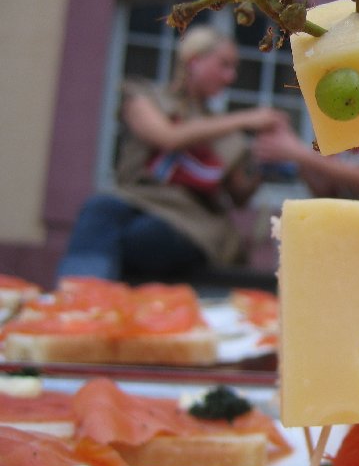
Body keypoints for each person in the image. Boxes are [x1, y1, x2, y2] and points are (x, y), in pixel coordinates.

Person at [56, 25, 287, 282]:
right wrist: (245, 119)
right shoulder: (145, 98)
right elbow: (168, 138)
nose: (230, 77)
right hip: (136, 199)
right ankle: (77, 296)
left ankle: (88, 294)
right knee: (98, 208)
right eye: (224, 65)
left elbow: (238, 196)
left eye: (234, 68)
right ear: (194, 61)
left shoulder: (229, 135)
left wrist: (263, 164)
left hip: (190, 220)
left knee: (140, 237)